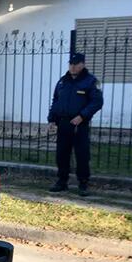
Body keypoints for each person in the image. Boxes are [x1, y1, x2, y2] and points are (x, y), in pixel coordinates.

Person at [47, 53, 103, 196]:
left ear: (82, 64)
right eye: (71, 64)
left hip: (79, 124)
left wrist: (82, 116)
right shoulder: (62, 81)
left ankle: (83, 184)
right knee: (62, 154)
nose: (72, 67)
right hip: (64, 123)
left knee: (82, 155)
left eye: (76, 64)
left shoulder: (90, 82)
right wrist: (52, 119)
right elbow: (56, 100)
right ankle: (62, 181)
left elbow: (97, 102)